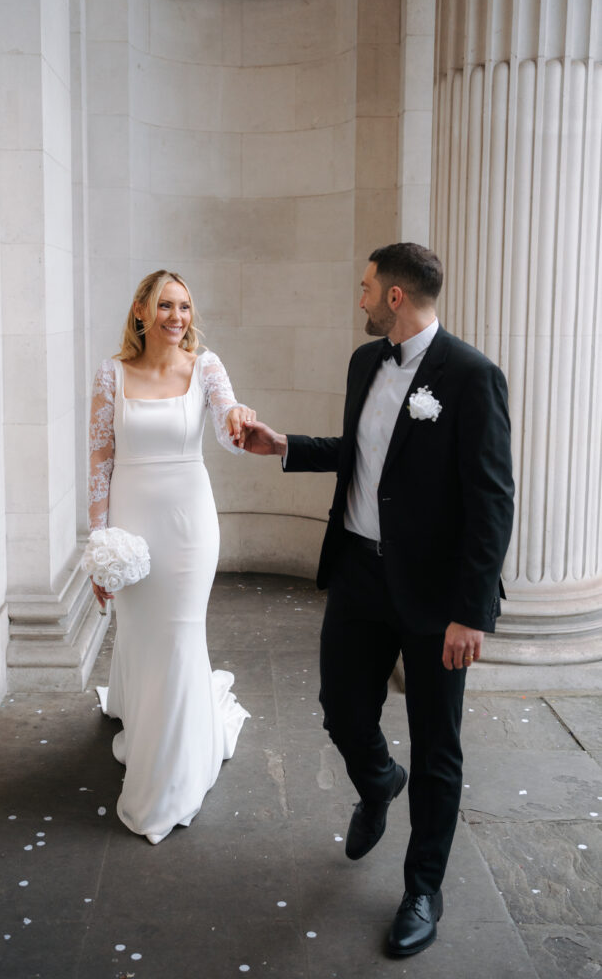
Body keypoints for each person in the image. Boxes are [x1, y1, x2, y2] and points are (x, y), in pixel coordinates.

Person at [240, 243, 514, 956]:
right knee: (340, 707)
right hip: (360, 574)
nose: (359, 298)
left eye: (365, 287)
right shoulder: (366, 363)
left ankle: (423, 886)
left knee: (437, 748)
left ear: (394, 297)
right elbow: (367, 454)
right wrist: (286, 447)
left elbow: (491, 501)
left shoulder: (473, 375)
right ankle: (375, 779)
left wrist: (471, 612)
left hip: (435, 596)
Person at [88, 269, 252, 844]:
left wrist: (239, 418)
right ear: (140, 311)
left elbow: (230, 429)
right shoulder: (112, 374)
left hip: (189, 524)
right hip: (133, 524)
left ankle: (169, 780)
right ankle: (149, 727)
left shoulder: (205, 366)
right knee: (140, 632)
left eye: (184, 306)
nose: (176, 316)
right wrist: (99, 545)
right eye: (164, 305)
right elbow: (100, 462)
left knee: (181, 634)